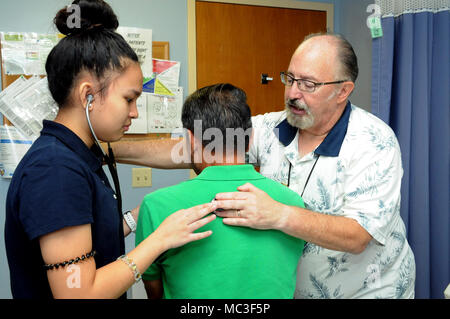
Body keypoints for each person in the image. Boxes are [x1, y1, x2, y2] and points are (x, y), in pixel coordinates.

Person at [111, 33, 416, 299]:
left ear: (343, 91)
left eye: (308, 84)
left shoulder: (373, 141)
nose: (293, 93)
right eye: (290, 78)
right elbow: (195, 146)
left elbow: (359, 236)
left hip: (367, 291)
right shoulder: (271, 126)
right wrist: (106, 150)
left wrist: (280, 215)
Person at [4, 0, 215, 299]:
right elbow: (78, 294)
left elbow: (86, 238)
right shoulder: (55, 169)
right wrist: (160, 239)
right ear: (88, 95)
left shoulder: (75, 155)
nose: (135, 113)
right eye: (129, 99)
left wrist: (138, 216)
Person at [135, 83, 306, 299]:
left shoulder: (156, 205)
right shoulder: (292, 204)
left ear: (190, 139)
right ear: (250, 138)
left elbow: (155, 292)